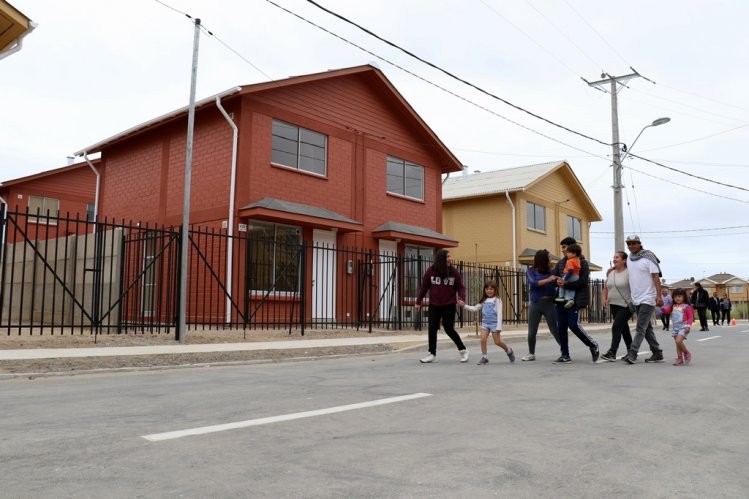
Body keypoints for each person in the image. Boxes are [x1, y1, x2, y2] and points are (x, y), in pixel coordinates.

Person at [415, 249, 469, 363]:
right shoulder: (431, 271)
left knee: (449, 329)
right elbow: (424, 287)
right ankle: (431, 354)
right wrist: (418, 301)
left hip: (449, 305)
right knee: (432, 328)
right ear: (441, 259)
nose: (450, 259)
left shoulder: (454, 272)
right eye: (448, 257)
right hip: (434, 305)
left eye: (450, 256)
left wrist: (462, 299)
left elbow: (461, 287)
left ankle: (463, 350)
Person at [552, 237, 599, 364]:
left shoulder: (582, 263)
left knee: (574, 325)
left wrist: (565, 284)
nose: (562, 250)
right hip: (561, 301)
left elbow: (582, 282)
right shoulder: (561, 263)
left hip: (574, 300)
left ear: (572, 248)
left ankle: (593, 345)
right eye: (562, 248)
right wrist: (556, 281)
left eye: (564, 247)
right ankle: (565, 355)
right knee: (561, 328)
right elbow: (554, 277)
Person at [623, 235, 665, 364]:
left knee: (640, 327)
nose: (631, 246)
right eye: (629, 244)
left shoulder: (648, 257)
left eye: (634, 243)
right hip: (636, 297)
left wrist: (658, 295)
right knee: (647, 328)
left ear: (639, 244)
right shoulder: (629, 259)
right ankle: (657, 352)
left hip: (648, 297)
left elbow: (656, 277)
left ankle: (633, 353)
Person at [463, 280, 515, 365]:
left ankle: (508, 350)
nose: (489, 291)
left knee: (497, 342)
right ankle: (485, 357)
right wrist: (464, 305)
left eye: (491, 289)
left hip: (494, 324)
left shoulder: (497, 300)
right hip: (485, 323)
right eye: (487, 289)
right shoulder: (484, 300)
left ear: (495, 290)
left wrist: (499, 327)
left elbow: (499, 314)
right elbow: (475, 308)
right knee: (483, 340)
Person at [523, 249, 560, 361]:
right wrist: (549, 279)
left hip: (550, 303)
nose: (550, 259)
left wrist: (557, 280)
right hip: (536, 303)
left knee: (554, 329)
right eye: (548, 257)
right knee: (532, 330)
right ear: (543, 259)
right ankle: (531, 353)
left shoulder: (552, 271)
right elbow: (534, 283)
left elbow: (556, 283)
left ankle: (564, 351)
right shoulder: (531, 271)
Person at [600, 251, 633, 361]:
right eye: (614, 257)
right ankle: (632, 351)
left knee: (616, 327)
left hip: (626, 305)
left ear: (624, 260)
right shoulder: (611, 273)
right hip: (613, 304)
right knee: (624, 329)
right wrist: (604, 298)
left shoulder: (630, 273)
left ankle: (612, 352)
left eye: (617, 257)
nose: (614, 259)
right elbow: (606, 288)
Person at [670, 288, 694, 366]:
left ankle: (687, 353)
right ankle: (679, 359)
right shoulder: (673, 306)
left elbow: (690, 317)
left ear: (684, 297)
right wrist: (661, 307)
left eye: (679, 296)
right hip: (675, 327)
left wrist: (688, 326)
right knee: (677, 344)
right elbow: (666, 311)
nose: (677, 298)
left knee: (678, 341)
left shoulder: (687, 306)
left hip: (683, 326)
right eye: (675, 296)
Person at [555, 243, 582, 309]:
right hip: (576, 276)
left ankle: (561, 296)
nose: (567, 253)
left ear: (574, 253)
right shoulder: (577, 260)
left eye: (568, 252)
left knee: (561, 282)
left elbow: (570, 271)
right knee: (571, 289)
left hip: (570, 275)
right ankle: (570, 299)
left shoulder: (570, 261)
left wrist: (565, 279)